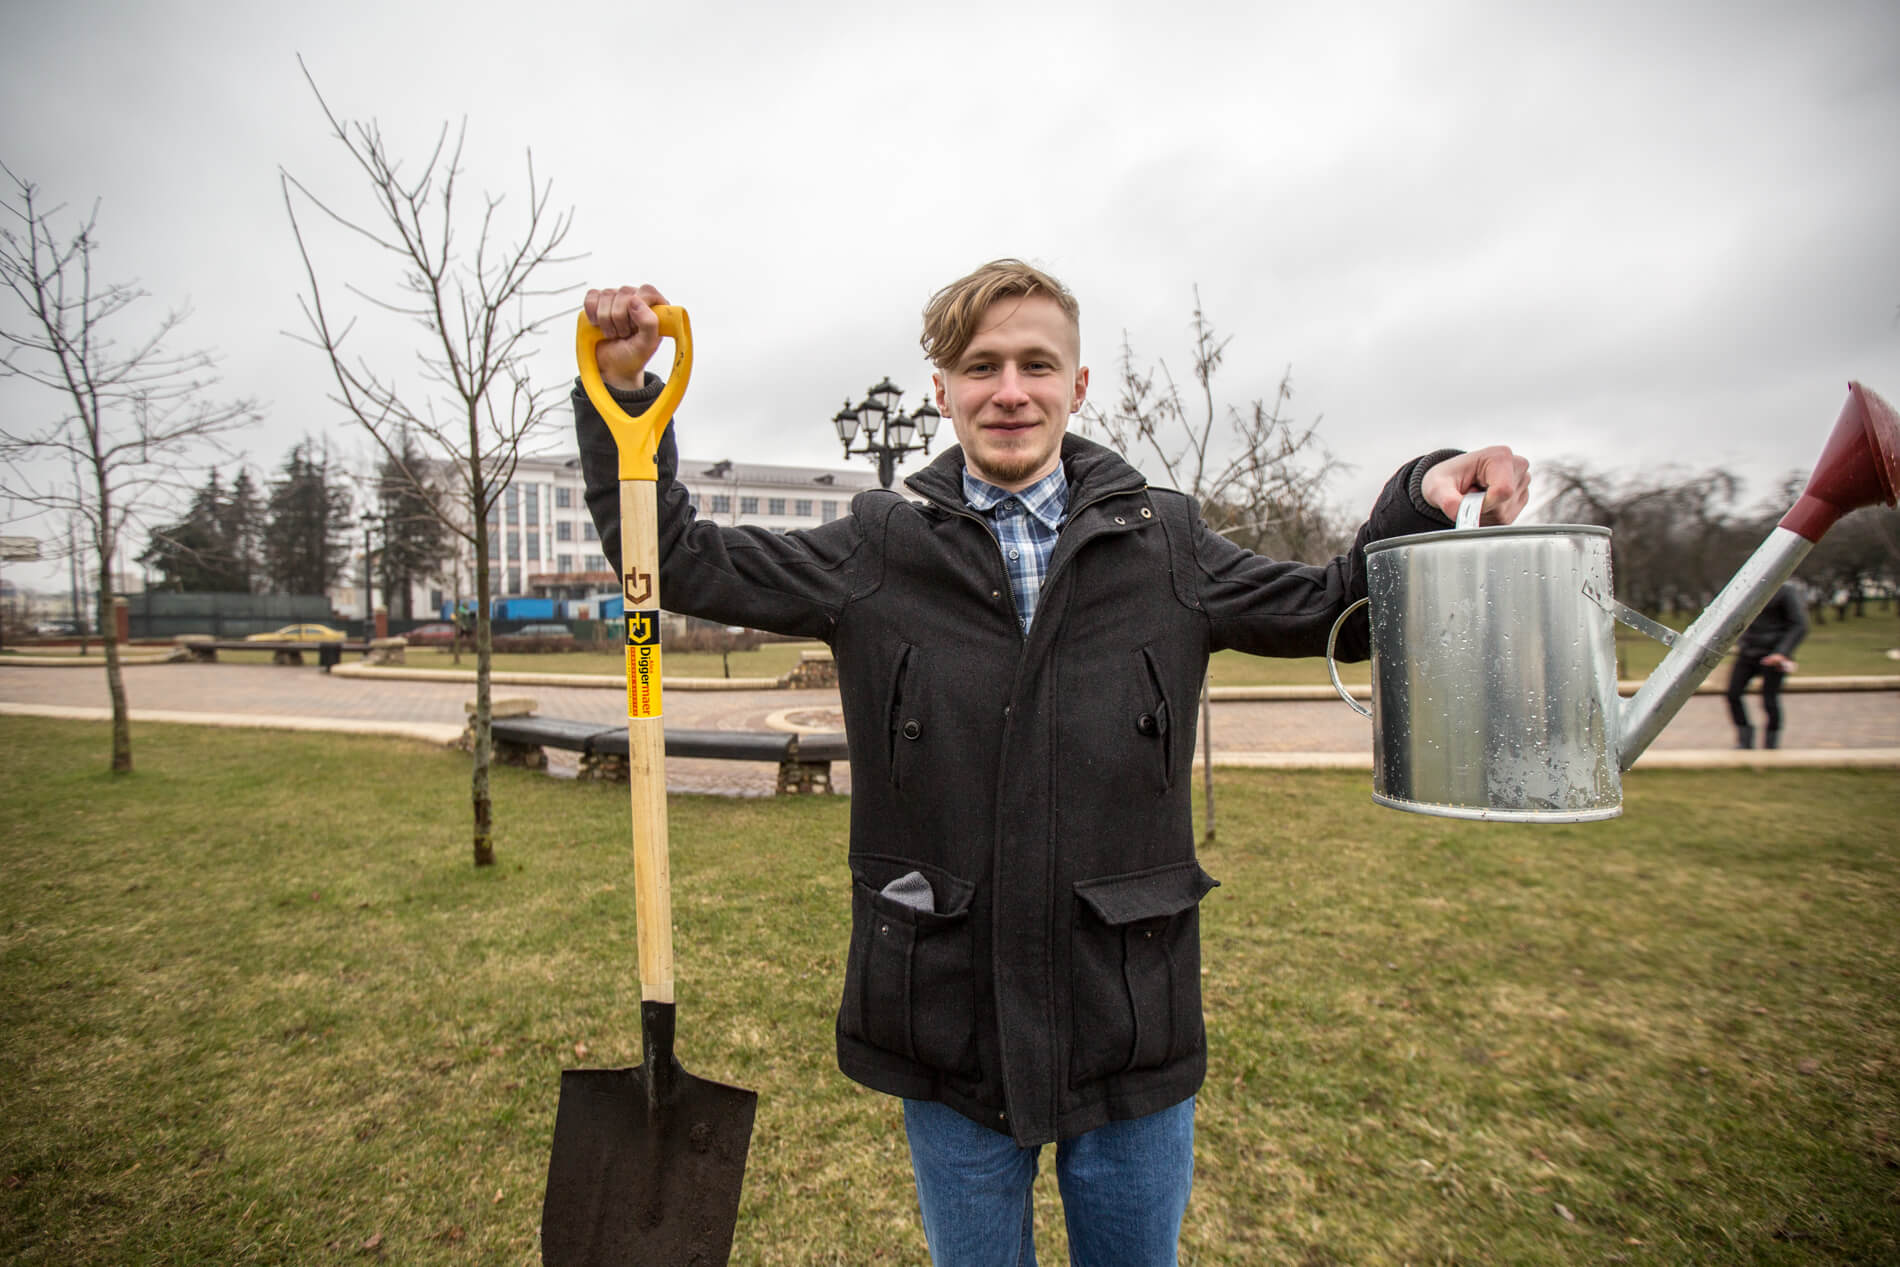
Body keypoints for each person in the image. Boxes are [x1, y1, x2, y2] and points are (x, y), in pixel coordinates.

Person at [573, 260, 1530, 1265]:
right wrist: (626, 397)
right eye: (979, 366)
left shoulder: (1167, 543)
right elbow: (675, 558)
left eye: (1037, 363)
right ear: (940, 391)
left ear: (1078, 387)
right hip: (949, 1024)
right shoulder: (874, 549)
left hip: (1128, 1019)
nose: (1010, 389)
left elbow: (1341, 609)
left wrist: (1426, 492)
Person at [1726, 581, 1808, 749]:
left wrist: (1781, 652)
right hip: (1748, 651)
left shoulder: (1785, 591)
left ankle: (1771, 744)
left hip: (1773, 654)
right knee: (1733, 693)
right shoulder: (1746, 589)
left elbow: (1800, 625)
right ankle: (1745, 739)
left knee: (1769, 699)